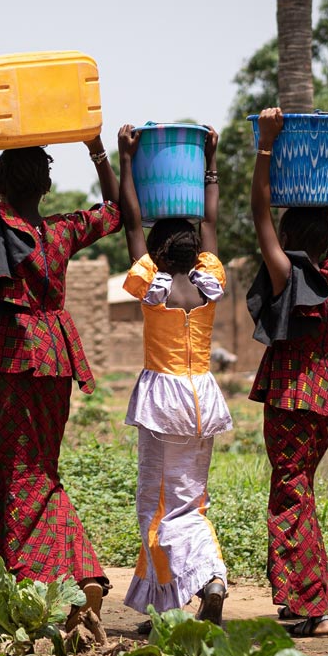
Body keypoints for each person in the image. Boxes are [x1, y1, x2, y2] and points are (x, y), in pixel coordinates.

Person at [0, 56, 122, 642]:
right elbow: (115, 211)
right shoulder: (60, 230)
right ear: (47, 186)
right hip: (55, 354)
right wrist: (97, 149)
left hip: (12, 354)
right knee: (43, 471)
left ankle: (34, 584)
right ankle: (72, 574)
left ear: (1, 185)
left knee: (12, 474)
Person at [246, 107, 328, 637]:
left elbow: (258, 217)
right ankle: (307, 595)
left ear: (292, 238)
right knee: (301, 488)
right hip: (327, 397)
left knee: (290, 492)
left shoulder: (288, 274)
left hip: (293, 398)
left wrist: (267, 148)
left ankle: (308, 600)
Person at [115, 123, 231, 626]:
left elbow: (131, 225)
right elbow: (210, 223)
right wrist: (209, 161)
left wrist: (125, 161)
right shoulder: (210, 284)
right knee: (192, 501)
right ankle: (190, 592)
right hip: (202, 397)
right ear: (196, 255)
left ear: (158, 256)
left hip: (164, 401)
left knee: (157, 507)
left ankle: (198, 585)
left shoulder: (152, 287)